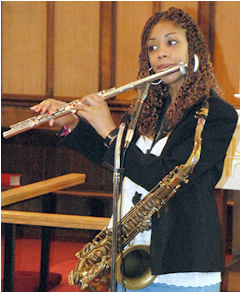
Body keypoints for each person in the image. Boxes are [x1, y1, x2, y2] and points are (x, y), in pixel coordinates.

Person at [31, 7, 238, 292]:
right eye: (152, 47)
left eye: (172, 42)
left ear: (194, 50)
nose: (161, 53)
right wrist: (73, 123)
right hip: (128, 253)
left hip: (182, 258)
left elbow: (164, 177)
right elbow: (118, 160)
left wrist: (110, 130)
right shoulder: (146, 110)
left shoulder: (216, 114)